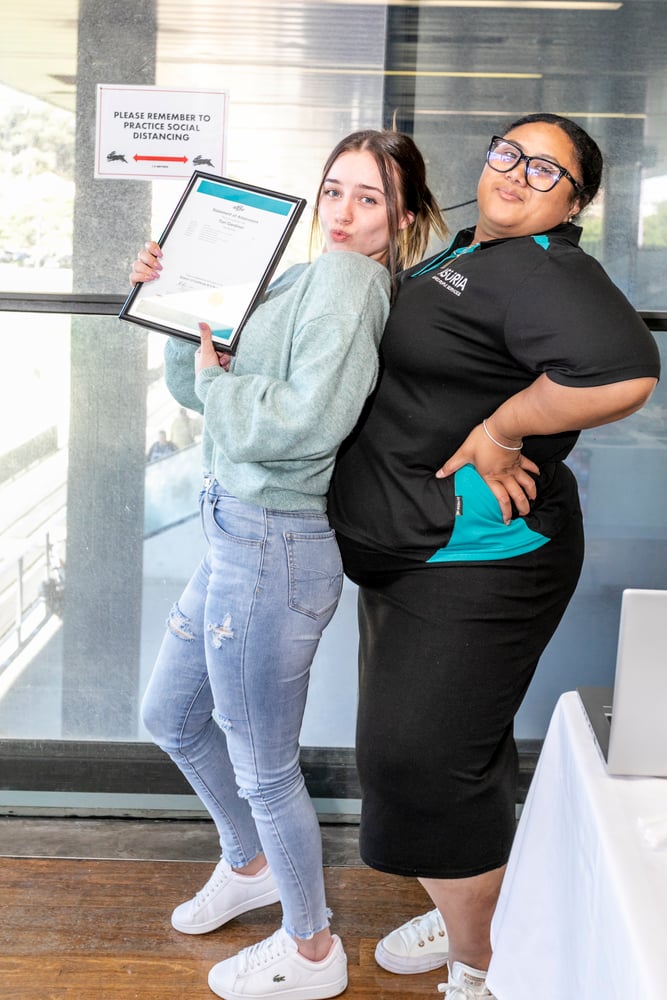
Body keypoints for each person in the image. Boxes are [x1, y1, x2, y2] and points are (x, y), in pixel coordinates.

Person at [326, 114, 660, 999]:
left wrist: (501, 428)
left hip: (478, 554)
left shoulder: (551, 269)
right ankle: (472, 899)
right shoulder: (462, 252)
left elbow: (625, 373)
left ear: (576, 200)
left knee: (419, 761)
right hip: (412, 544)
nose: (516, 171)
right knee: (443, 756)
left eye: (545, 169)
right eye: (508, 152)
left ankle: (483, 966)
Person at [130, 129, 448, 1000]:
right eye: (335, 191)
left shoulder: (348, 283)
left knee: (263, 766)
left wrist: (221, 383)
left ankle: (310, 951)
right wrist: (171, 303)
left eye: (370, 198)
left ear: (405, 218)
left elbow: (304, 426)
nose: (344, 213)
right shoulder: (302, 274)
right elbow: (201, 386)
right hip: (235, 528)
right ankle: (251, 863)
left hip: (273, 543)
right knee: (171, 714)